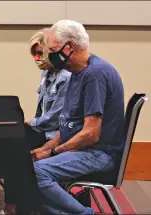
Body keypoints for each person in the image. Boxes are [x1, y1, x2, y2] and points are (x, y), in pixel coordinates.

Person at [0, 28, 71, 215]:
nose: (37, 58)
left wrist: (32, 123)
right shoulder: (47, 73)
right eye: (34, 53)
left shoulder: (66, 77)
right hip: (41, 129)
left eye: (40, 53)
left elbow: (55, 115)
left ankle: (10, 206)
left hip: (53, 135)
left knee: (13, 149)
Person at [31, 20, 125, 214]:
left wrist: (55, 152)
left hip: (100, 154)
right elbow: (68, 125)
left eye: (53, 50)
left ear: (69, 47)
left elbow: (91, 134)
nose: (50, 56)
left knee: (36, 172)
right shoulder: (77, 72)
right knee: (26, 174)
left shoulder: (95, 75)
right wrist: (45, 148)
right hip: (87, 150)